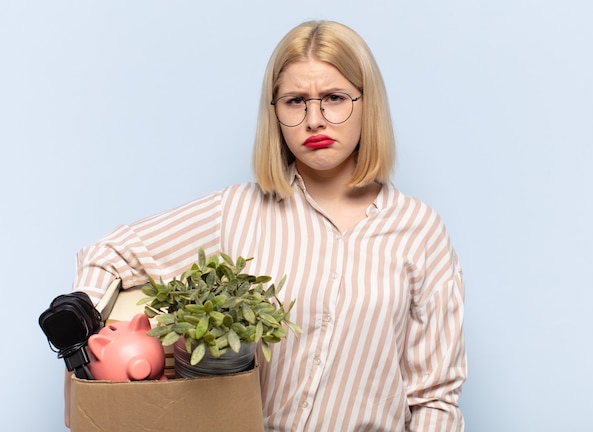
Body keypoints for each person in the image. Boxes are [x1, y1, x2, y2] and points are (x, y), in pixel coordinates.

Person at [67, 20, 467, 431]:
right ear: (274, 113)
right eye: (295, 101)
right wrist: (80, 325)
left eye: (334, 97)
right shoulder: (236, 211)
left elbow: (435, 399)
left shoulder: (420, 231)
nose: (315, 120)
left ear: (368, 104)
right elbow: (109, 255)